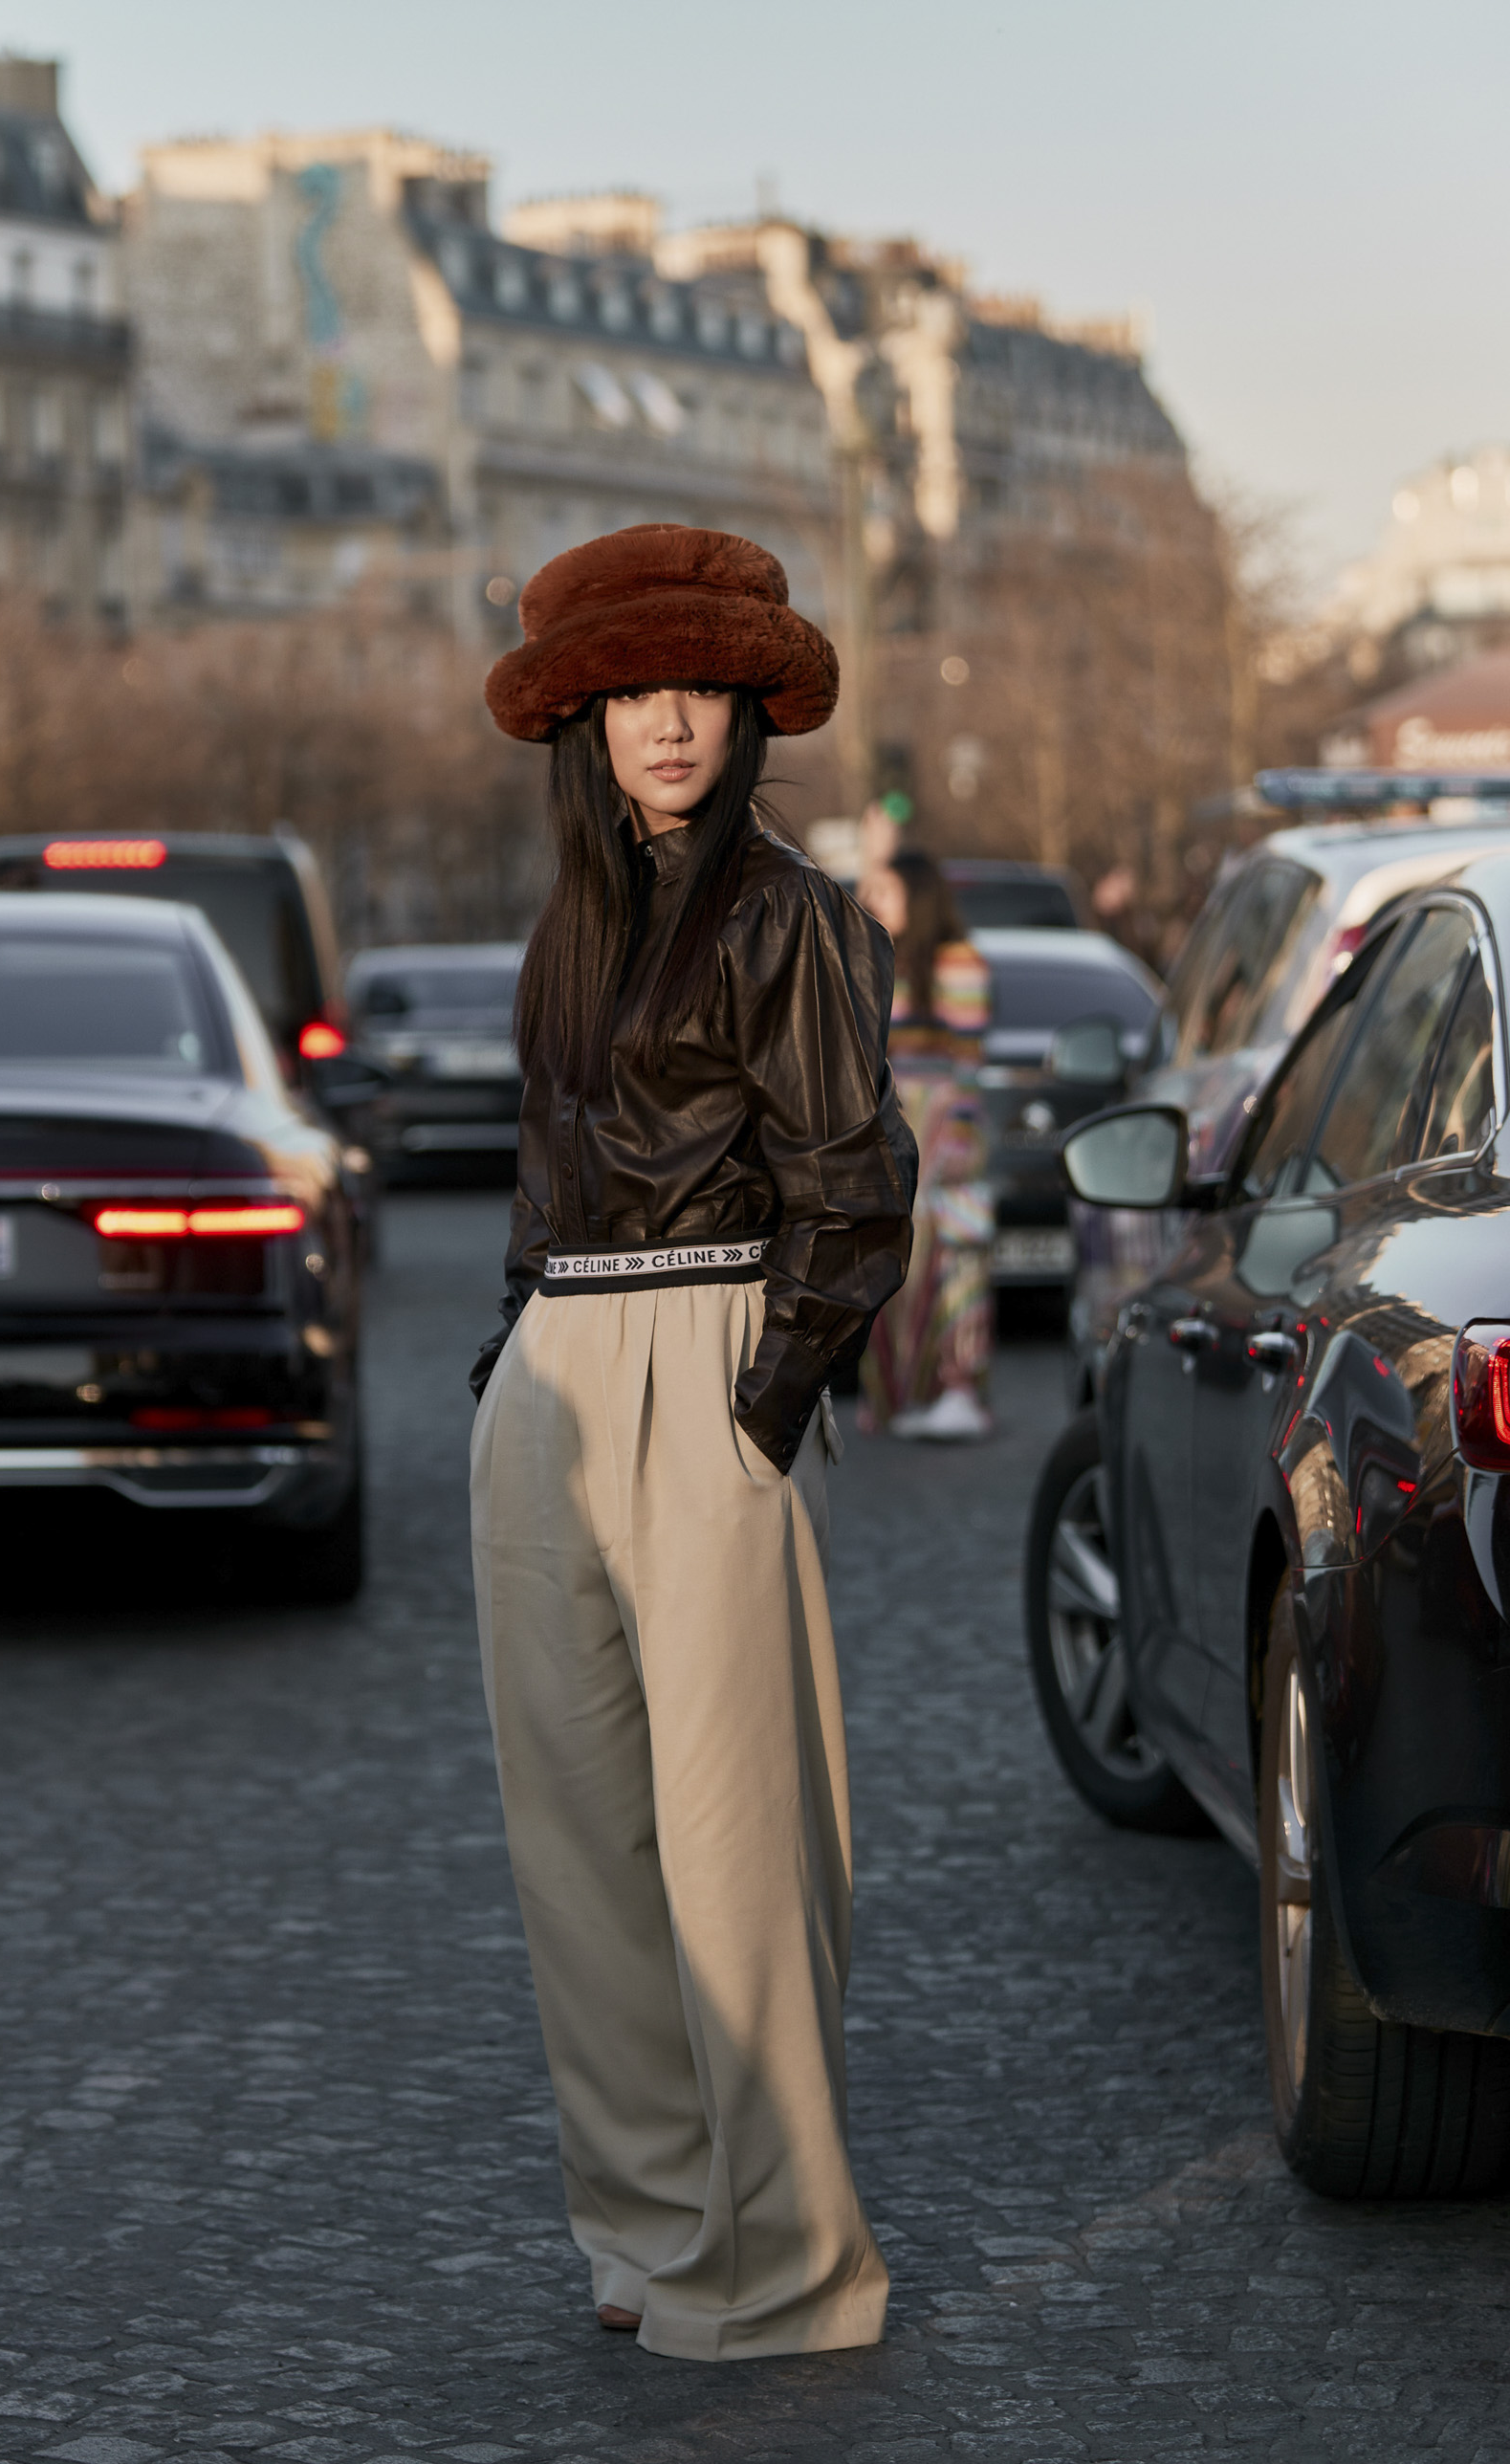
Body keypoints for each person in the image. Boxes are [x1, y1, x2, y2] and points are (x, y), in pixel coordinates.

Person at [469, 524, 915, 2361]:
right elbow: (537, 1169)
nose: (669, 722)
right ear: (586, 713)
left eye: (701, 689)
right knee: (576, 1845)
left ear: (749, 708)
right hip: (554, 1376)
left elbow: (854, 1189)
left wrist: (765, 1406)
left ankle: (788, 2264)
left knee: (741, 1851)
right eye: (637, 690)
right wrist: (511, 1354)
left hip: (713, 1355)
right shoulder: (573, 923)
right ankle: (649, 2236)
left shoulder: (791, 914)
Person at [855, 799, 995, 1441]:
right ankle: (901, 1395)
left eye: (888, 890)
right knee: (893, 1259)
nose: (876, 901)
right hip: (896, 1129)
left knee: (954, 1257)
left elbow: (967, 1068)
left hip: (945, 1133)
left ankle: (958, 1385)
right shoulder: (885, 965)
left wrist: (957, 1140)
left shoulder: (957, 963)